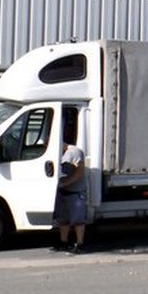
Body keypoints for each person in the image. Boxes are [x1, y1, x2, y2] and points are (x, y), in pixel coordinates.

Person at [53, 108, 89, 254]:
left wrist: (65, 183)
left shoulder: (74, 152)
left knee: (78, 220)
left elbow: (79, 173)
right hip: (63, 192)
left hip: (75, 192)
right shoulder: (58, 153)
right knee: (63, 219)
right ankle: (63, 242)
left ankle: (79, 244)